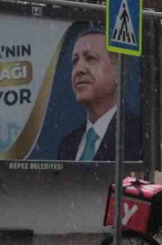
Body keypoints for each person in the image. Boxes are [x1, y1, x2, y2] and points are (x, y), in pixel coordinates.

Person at [57, 29, 141, 161]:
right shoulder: (67, 145)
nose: (79, 69)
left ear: (118, 71)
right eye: (75, 61)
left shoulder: (137, 137)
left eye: (90, 58)